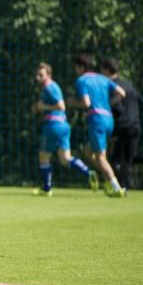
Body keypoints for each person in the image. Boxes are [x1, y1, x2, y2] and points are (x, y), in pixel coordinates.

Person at [30, 62, 96, 196]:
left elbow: (61, 106)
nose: (38, 77)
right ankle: (88, 173)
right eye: (37, 74)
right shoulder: (50, 87)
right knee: (65, 159)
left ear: (49, 75)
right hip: (63, 125)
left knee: (43, 157)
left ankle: (46, 189)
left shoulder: (50, 87)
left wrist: (42, 107)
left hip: (53, 126)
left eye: (41, 75)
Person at [72, 53, 127, 197]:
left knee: (100, 157)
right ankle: (105, 178)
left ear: (81, 67)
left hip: (96, 119)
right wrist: (108, 103)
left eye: (76, 68)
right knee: (89, 152)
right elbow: (121, 93)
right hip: (109, 119)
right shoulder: (103, 78)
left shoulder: (82, 80)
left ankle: (116, 187)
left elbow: (86, 103)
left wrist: (71, 103)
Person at [101, 57, 142, 191]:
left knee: (115, 160)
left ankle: (120, 186)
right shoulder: (129, 84)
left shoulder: (112, 87)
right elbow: (140, 100)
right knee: (130, 159)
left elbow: (117, 107)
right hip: (136, 124)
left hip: (123, 126)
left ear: (106, 70)